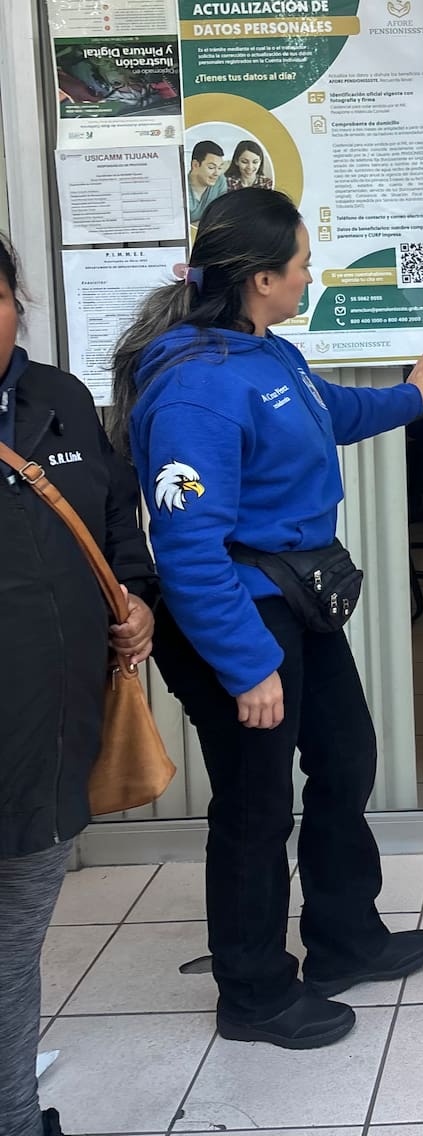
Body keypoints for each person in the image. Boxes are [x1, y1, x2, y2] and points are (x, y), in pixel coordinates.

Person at [110, 189, 423, 1052]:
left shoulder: (269, 352)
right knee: (258, 808)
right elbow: (188, 550)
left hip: (296, 601)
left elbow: (330, 413)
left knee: (346, 759)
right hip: (236, 615)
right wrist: (246, 667)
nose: (309, 275)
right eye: (301, 263)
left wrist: (409, 400)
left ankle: (344, 939)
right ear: (261, 277)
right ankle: (255, 992)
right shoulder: (193, 389)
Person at [0, 236, 156, 1136]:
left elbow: (112, 519)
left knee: (16, 941)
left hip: (51, 734)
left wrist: (135, 602)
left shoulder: (58, 399)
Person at [188, 140, 227, 224]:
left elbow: (222, 215)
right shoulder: (180, 187)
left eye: (220, 168)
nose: (217, 173)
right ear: (195, 165)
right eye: (211, 167)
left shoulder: (220, 180)